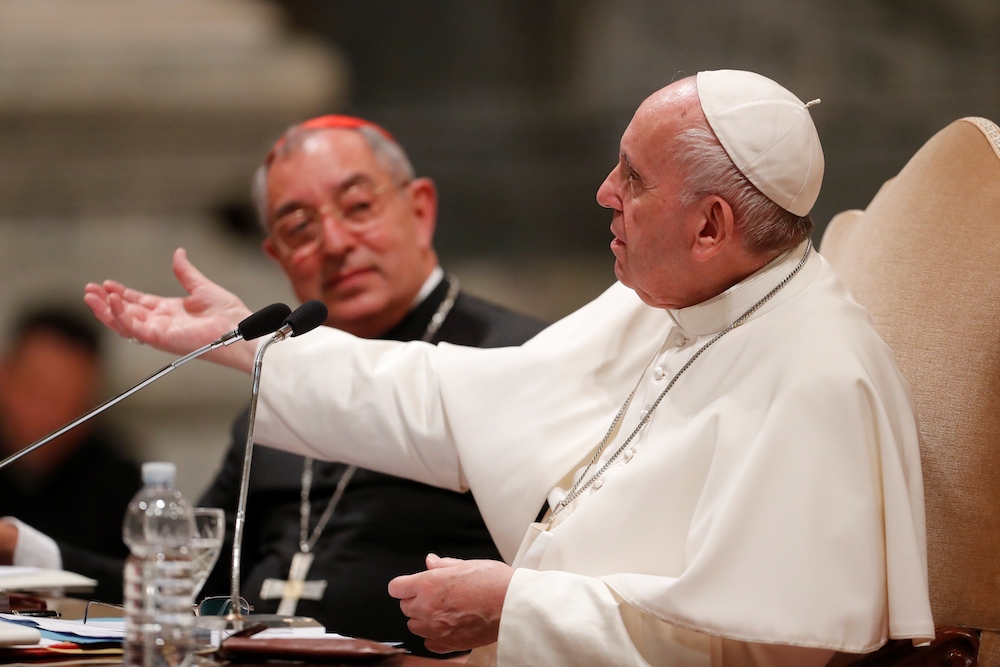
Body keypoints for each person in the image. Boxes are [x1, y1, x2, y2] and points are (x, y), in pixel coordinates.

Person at [84, 71, 935, 666]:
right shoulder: (675, 302)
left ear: (711, 226)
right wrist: (250, 340)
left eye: (632, 180)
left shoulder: (818, 372)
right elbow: (457, 398)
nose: (603, 192)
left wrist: (512, 603)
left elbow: (758, 646)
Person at [76, 115, 541, 652]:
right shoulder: (277, 387)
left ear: (420, 210)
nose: (335, 243)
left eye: (359, 207)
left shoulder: (518, 359)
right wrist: (24, 548)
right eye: (299, 227)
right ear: (276, 256)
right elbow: (180, 588)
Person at [0, 308, 141, 603]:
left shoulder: (119, 481)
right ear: (4, 376)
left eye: (63, 397)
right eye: (34, 389)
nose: (44, 412)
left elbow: (138, 584)